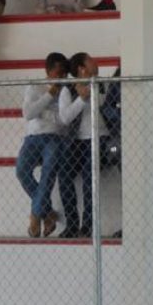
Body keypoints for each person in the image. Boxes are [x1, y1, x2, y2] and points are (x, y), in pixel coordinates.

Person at [16, 52, 70, 238]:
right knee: (21, 171)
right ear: (48, 71)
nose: (61, 77)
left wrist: (43, 112)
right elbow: (29, 113)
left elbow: (63, 121)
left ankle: (35, 215)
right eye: (58, 72)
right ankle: (47, 212)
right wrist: (49, 95)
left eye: (64, 73)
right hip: (32, 136)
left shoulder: (66, 90)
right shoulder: (35, 86)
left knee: (48, 172)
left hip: (55, 137)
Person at [58, 52, 109, 239]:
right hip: (77, 141)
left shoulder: (102, 84)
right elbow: (65, 118)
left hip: (100, 138)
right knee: (63, 174)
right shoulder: (67, 90)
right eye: (91, 61)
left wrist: (90, 93)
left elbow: (105, 104)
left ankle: (87, 226)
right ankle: (72, 224)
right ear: (82, 68)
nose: (96, 63)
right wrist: (81, 99)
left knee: (89, 176)